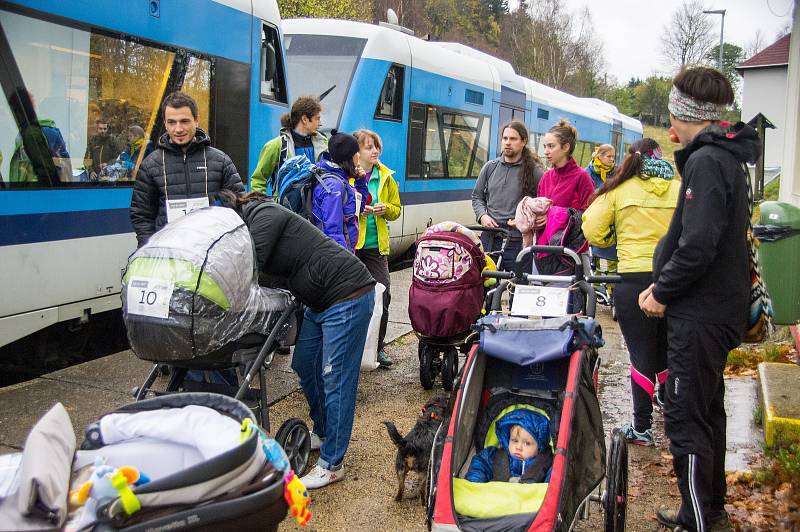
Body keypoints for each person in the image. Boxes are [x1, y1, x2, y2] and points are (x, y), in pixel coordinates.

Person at [640, 66, 758, 532]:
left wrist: (662, 291)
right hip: (713, 311)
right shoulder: (724, 158)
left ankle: (699, 522)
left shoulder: (708, 163)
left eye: (672, 111)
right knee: (707, 411)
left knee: (687, 418)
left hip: (700, 315)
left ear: (684, 113)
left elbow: (699, 244)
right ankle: (707, 508)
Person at [217, 190, 376, 490]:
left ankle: (332, 463)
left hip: (348, 295)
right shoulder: (252, 222)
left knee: (335, 378)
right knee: (304, 364)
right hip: (319, 302)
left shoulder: (262, 216)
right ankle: (325, 431)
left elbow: (249, 272)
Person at [582, 138, 679, 447]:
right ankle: (673, 411)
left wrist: (615, 238)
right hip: (673, 280)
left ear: (633, 160)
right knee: (666, 348)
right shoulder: (679, 189)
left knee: (640, 354)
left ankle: (641, 426)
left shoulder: (619, 190)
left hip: (633, 278)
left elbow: (593, 228)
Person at [129, 91, 244, 247]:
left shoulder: (221, 160)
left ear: (196, 121)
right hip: (167, 252)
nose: (178, 129)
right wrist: (151, 249)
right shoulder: (151, 164)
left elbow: (238, 206)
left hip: (211, 253)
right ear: (165, 123)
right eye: (172, 122)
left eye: (184, 121)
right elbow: (141, 215)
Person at [353, 129, 402, 368]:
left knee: (383, 295)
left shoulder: (386, 177)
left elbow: (396, 209)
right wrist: (357, 210)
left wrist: (385, 209)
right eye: (368, 147)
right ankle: (352, 348)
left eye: (376, 146)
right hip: (352, 245)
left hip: (376, 247)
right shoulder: (348, 175)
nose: (374, 151)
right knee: (350, 297)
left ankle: (378, 348)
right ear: (357, 152)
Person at [471, 121, 544, 270]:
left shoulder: (535, 172)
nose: (508, 143)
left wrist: (527, 221)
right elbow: (477, 197)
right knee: (487, 287)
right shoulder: (490, 167)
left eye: (513, 139)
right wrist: (482, 216)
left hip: (518, 242)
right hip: (490, 239)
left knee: (518, 288)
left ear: (523, 141)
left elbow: (544, 204)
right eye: (505, 138)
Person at [251, 96, 328, 195]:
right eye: (317, 119)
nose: (320, 123)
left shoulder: (324, 144)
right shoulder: (276, 146)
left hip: (317, 207)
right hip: (285, 209)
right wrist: (263, 204)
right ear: (304, 119)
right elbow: (259, 179)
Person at [312, 131, 368, 251]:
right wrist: (343, 264)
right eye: (356, 152)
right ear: (348, 157)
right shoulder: (334, 186)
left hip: (345, 253)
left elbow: (358, 210)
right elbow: (333, 231)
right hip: (338, 258)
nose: (359, 155)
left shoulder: (340, 180)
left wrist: (361, 182)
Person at [465, 409, 552, 484]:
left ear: (540, 446)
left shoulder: (546, 463)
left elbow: (553, 484)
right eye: (515, 441)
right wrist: (477, 484)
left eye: (527, 443)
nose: (518, 447)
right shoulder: (493, 456)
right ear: (508, 439)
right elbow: (479, 465)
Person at [537, 119, 594, 211]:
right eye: (545, 146)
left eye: (551, 146)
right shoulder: (546, 177)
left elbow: (589, 215)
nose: (546, 152)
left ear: (566, 147)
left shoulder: (582, 177)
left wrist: (553, 216)